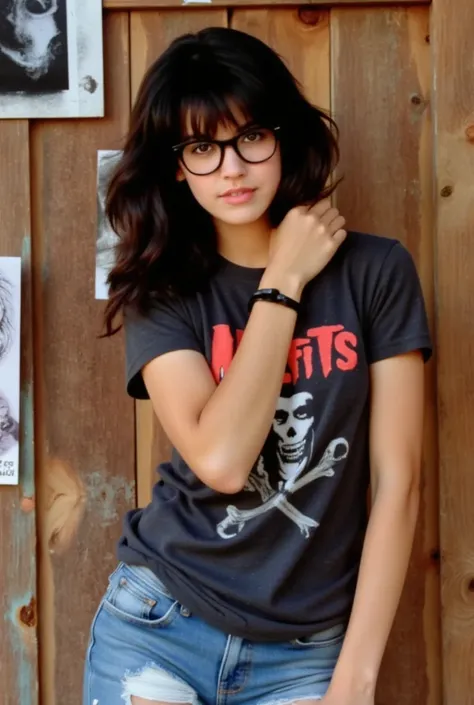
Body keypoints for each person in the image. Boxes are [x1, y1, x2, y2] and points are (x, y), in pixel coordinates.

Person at [83, 27, 432, 705]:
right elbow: (221, 460)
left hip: (305, 654)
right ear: (177, 166)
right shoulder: (164, 290)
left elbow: (399, 482)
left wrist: (355, 682)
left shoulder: (375, 272)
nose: (232, 168)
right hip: (159, 626)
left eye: (251, 137)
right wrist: (284, 280)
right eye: (203, 147)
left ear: (284, 135)